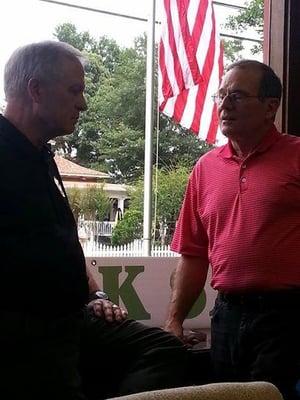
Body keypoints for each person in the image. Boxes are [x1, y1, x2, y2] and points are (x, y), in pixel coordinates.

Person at [0, 41, 187, 400]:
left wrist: (94, 295)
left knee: (162, 349)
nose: (83, 103)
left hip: (72, 319)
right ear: (35, 89)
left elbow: (60, 243)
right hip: (23, 335)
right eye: (75, 90)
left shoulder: (42, 156)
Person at [164, 60, 300, 400]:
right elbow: (194, 253)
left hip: (286, 316)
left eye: (237, 96)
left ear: (271, 107)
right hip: (226, 315)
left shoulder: (296, 156)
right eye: (221, 95)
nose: (224, 105)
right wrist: (175, 320)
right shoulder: (205, 168)